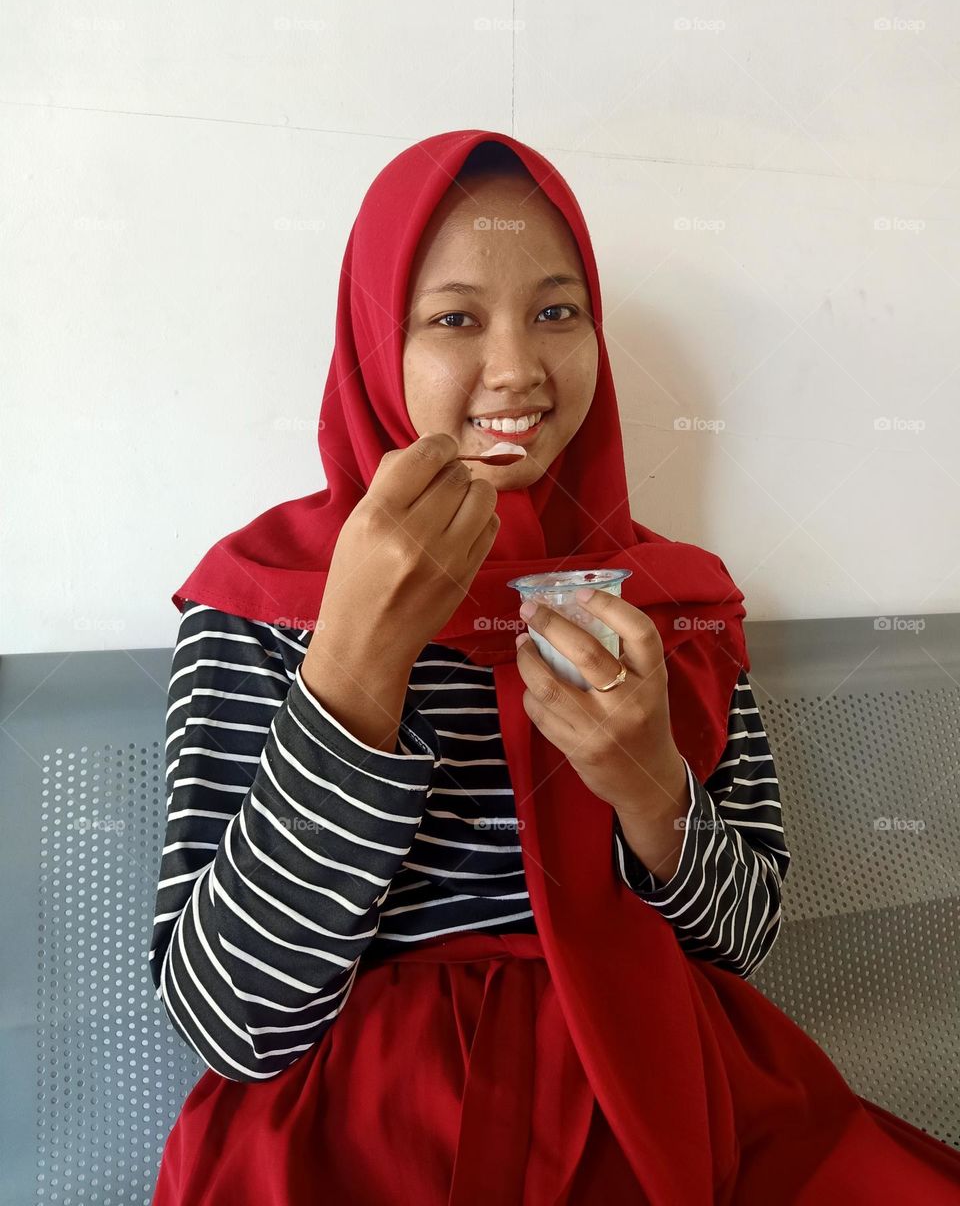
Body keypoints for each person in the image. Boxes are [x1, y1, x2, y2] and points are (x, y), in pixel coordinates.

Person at [149, 130, 960, 1204]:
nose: (518, 368)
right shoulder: (261, 596)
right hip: (362, 1137)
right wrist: (355, 665)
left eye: (556, 309)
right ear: (372, 341)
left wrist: (648, 785)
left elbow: (744, 934)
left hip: (663, 1095)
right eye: (452, 317)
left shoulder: (676, 599)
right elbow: (231, 1018)